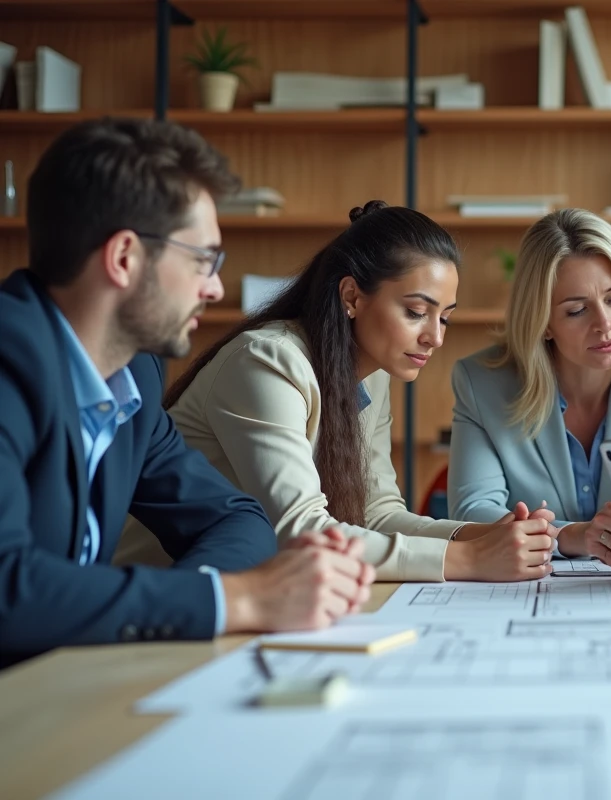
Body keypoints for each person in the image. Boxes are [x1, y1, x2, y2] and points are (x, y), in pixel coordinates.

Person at [0, 118, 374, 666]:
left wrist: (215, 597)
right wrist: (237, 599)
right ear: (124, 258)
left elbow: (235, 518)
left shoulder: (133, 374)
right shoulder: (10, 359)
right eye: (203, 260)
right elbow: (8, 585)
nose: (215, 288)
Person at [116, 201, 556, 583]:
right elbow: (298, 528)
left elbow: (378, 513)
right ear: (352, 296)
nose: (434, 337)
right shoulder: (267, 361)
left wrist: (486, 536)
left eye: (444, 318)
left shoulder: (372, 373)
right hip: (165, 595)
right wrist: (469, 559)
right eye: (415, 312)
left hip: (257, 594)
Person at [447, 208, 611, 570]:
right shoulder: (482, 383)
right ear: (543, 322)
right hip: (532, 585)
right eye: (576, 310)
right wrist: (569, 536)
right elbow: (472, 513)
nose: (605, 324)